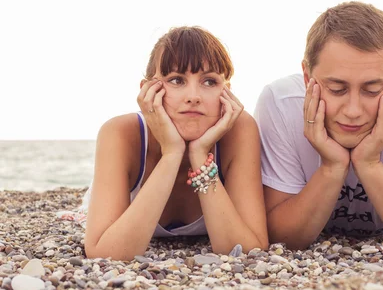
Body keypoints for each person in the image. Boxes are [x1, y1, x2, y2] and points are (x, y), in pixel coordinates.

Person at [254, 1, 383, 251]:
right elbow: (280, 237)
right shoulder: (280, 103)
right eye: (336, 89)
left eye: (372, 90)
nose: (353, 111)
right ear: (307, 77)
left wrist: (370, 164)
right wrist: (332, 167)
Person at [83, 26, 268, 260]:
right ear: (147, 90)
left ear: (226, 93)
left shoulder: (239, 131)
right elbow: (105, 253)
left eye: (209, 82)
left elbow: (248, 249)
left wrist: (200, 154)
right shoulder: (121, 134)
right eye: (176, 80)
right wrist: (172, 153)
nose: (193, 96)